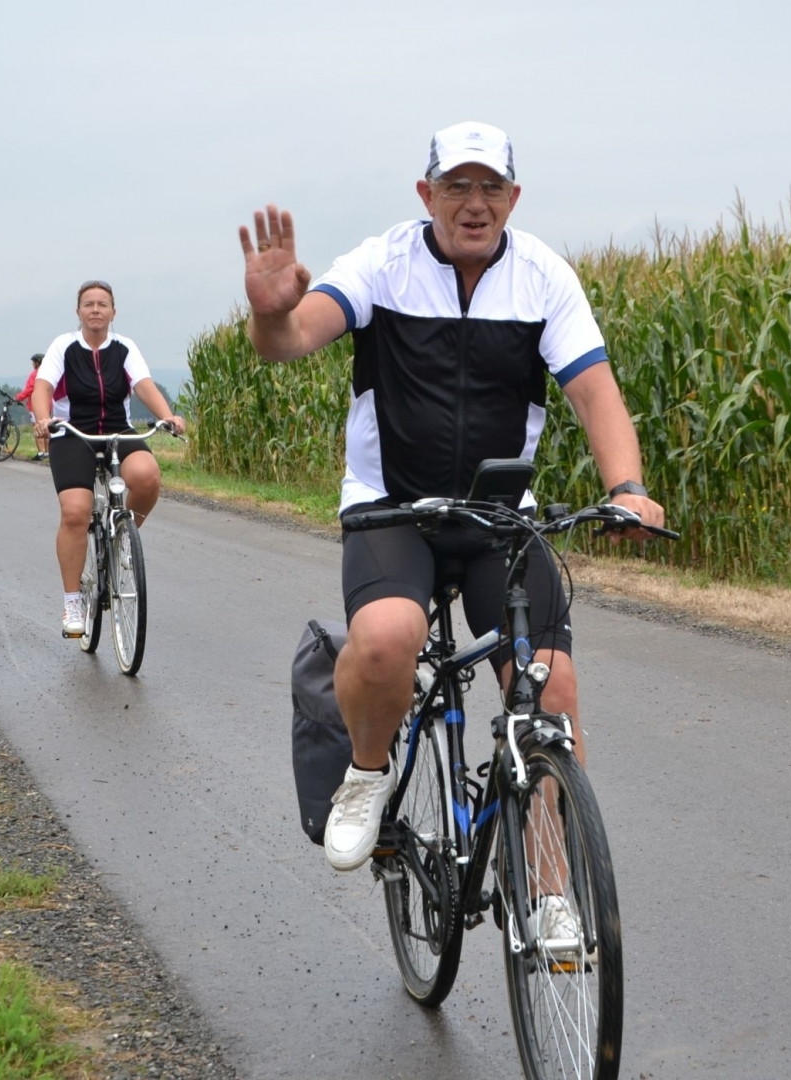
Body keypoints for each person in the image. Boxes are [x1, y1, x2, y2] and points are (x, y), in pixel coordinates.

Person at [238, 121, 666, 873]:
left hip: (498, 520)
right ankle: (367, 774)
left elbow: (596, 394)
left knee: (552, 690)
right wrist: (272, 311)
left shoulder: (542, 277)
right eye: (457, 186)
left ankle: (554, 895)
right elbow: (292, 338)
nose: (474, 203)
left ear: (513, 197)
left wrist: (626, 488)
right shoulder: (383, 263)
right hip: (391, 508)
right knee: (387, 638)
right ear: (425, 194)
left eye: (490, 187)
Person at [31, 281, 186, 637]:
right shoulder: (64, 347)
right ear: (79, 312)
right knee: (75, 512)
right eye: (89, 304)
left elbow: (143, 384)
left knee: (147, 477)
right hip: (73, 432)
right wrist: (43, 418)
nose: (96, 309)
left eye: (103, 304)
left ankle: (121, 541)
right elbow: (44, 387)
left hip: (118, 430)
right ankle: (73, 600)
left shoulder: (125, 348)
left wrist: (169, 415)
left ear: (113, 312)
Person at [16, 353, 49, 461]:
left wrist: (18, 398)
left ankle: (40, 453)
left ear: (37, 363)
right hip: (47, 404)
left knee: (37, 428)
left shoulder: (35, 374)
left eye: (33, 362)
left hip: (34, 405)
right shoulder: (47, 373)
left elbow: (29, 389)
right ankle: (47, 453)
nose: (32, 364)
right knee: (46, 428)